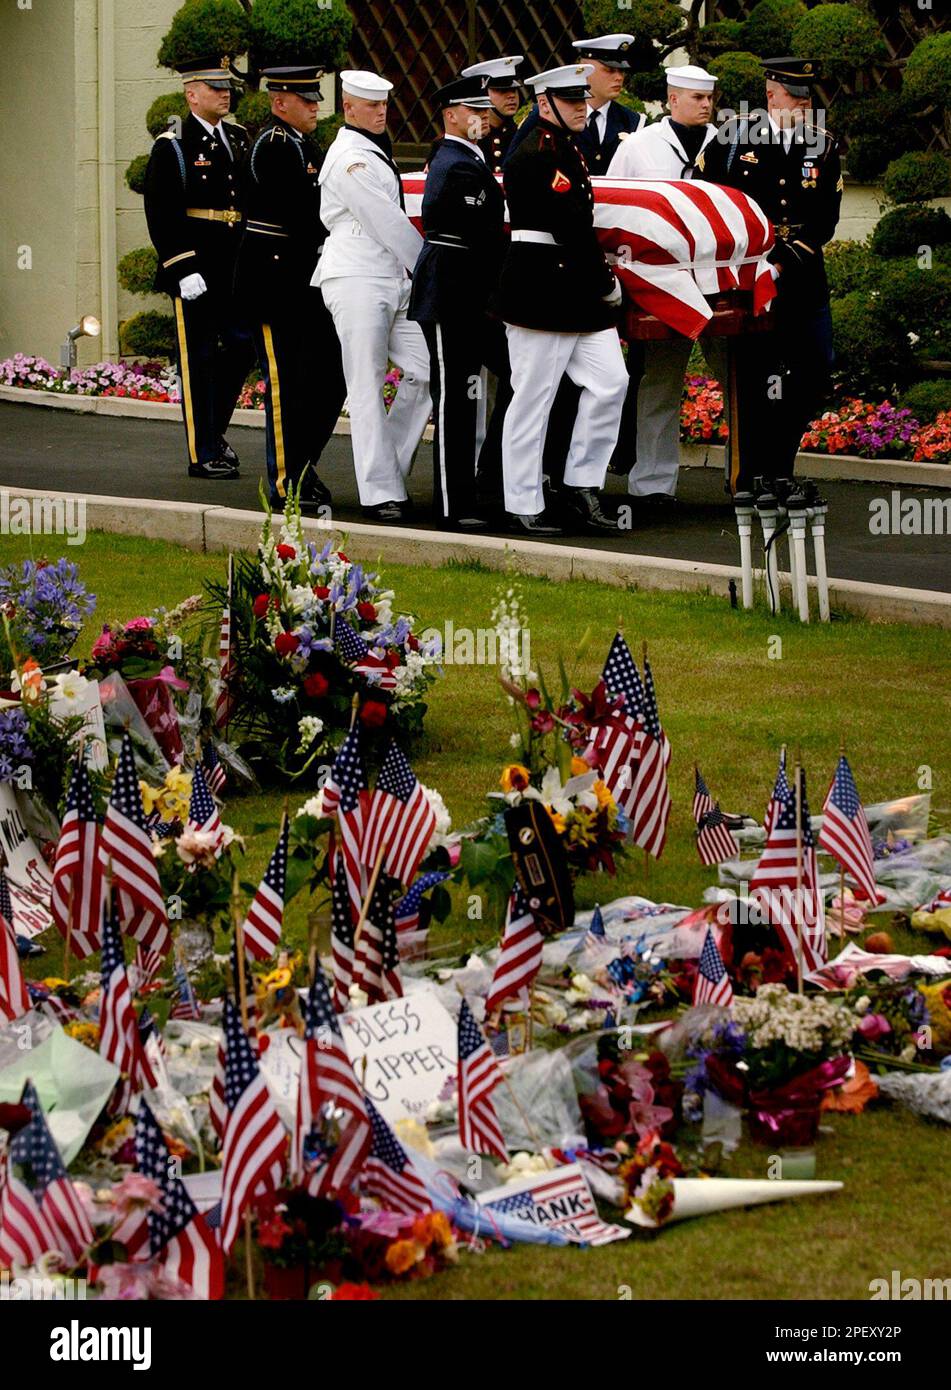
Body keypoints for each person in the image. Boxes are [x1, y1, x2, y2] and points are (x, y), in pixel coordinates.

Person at [695, 56, 843, 493]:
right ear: (770, 95)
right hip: (748, 275)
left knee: (814, 369)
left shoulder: (822, 143)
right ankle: (751, 475)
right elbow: (708, 198)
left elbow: (824, 219)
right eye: (791, 96)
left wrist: (781, 262)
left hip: (799, 275)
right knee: (758, 377)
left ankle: (782, 466)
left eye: (805, 97)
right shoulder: (733, 137)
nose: (800, 105)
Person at [494, 65, 628, 536]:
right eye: (571, 101)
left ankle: (581, 485)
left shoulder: (564, 145)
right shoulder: (535, 151)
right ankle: (522, 501)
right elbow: (569, 225)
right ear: (545, 103)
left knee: (612, 381)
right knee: (534, 397)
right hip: (541, 287)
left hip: (572, 291)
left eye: (583, 99)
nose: (582, 107)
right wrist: (606, 282)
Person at [315, 70, 431, 522]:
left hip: (392, 277)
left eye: (385, 104)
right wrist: (429, 268)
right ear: (348, 108)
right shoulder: (348, 157)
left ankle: (393, 470)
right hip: (357, 274)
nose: (381, 112)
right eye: (371, 105)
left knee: (428, 370)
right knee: (365, 383)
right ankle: (379, 491)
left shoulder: (370, 151)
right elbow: (385, 220)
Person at [234, 65, 346, 513]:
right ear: (280, 103)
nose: (316, 106)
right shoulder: (275, 146)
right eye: (307, 99)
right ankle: (284, 482)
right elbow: (303, 212)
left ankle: (302, 467)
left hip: (302, 280)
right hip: (275, 282)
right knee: (284, 386)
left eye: (317, 99)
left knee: (323, 380)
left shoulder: (304, 144)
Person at [607, 65, 720, 506]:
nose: (706, 105)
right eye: (696, 98)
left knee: (736, 379)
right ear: (672, 100)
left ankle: (745, 476)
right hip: (661, 279)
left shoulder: (727, 144)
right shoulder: (639, 146)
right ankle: (653, 482)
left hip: (716, 277)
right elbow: (615, 202)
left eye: (709, 98)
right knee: (660, 379)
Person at [144, 54, 255, 480]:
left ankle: (214, 431)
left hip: (234, 264)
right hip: (197, 265)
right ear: (192, 93)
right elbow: (162, 211)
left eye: (226, 86)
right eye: (214, 87)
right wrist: (181, 266)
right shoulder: (173, 145)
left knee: (242, 346)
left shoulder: (240, 138)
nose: (225, 93)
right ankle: (202, 451)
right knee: (200, 356)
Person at [408, 75, 510, 530]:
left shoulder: (469, 160)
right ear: (451, 115)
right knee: (454, 399)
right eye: (474, 111)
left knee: (513, 376)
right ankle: (452, 505)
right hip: (452, 295)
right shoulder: (454, 163)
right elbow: (469, 235)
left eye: (485, 110)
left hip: (472, 296)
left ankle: (484, 483)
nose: (483, 118)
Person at [506, 35, 646, 172]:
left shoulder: (632, 121)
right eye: (609, 70)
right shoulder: (547, 113)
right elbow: (512, 167)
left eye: (621, 71)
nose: (619, 77)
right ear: (585, 69)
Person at [461, 55, 524, 174]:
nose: (512, 96)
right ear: (483, 94)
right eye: (502, 90)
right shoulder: (468, 136)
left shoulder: (520, 132)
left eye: (514, 89)